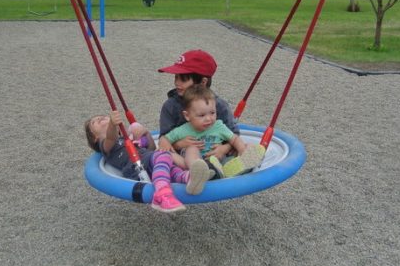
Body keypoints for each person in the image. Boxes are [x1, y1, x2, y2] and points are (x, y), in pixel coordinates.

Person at [84, 111, 212, 213]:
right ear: (95, 138)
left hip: (149, 161)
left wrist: (145, 133)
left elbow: (150, 147)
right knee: (164, 155)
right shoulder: (106, 146)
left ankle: (189, 178)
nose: (100, 119)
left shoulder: (128, 139)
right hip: (136, 167)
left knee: (172, 168)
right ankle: (161, 194)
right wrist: (112, 124)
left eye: (103, 117)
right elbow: (111, 137)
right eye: (95, 122)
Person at [157, 49, 239, 164]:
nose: (177, 83)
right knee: (177, 154)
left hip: (217, 156)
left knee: (239, 151)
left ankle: (239, 166)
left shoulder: (219, 105)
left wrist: (224, 149)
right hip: (185, 159)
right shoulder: (170, 106)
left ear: (203, 82)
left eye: (183, 79)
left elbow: (235, 135)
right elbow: (164, 140)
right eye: (176, 77)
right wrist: (179, 144)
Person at [163, 85, 265, 177]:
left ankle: (234, 167)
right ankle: (199, 172)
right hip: (194, 163)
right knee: (190, 150)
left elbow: (234, 139)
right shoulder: (183, 129)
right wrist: (166, 145)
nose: (209, 119)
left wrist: (242, 150)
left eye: (212, 113)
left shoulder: (218, 126)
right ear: (187, 116)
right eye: (202, 115)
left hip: (218, 161)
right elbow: (165, 139)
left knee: (246, 147)